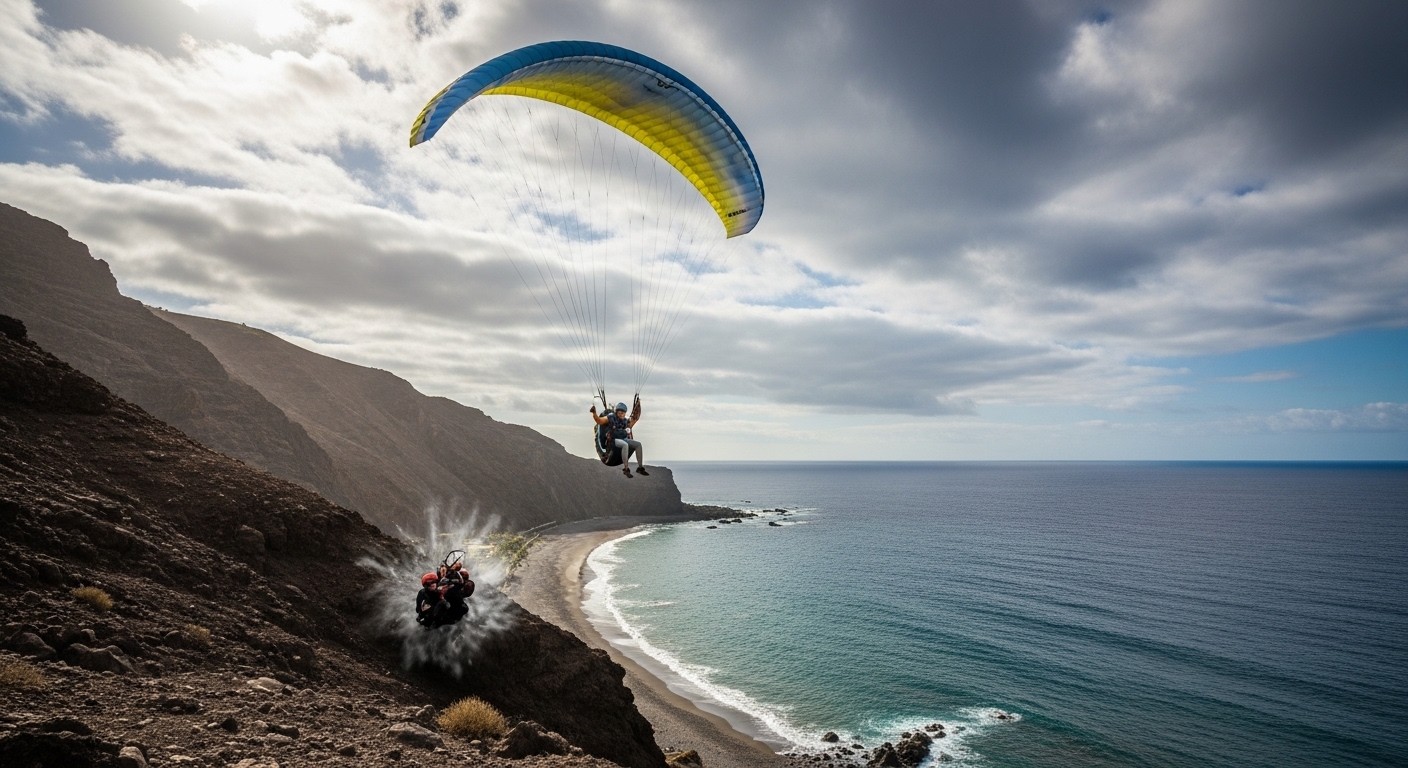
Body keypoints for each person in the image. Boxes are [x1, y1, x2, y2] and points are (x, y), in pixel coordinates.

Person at [591, 396, 648, 477]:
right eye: (619, 413)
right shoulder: (610, 417)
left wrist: (638, 406)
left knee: (638, 444)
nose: (621, 414)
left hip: (623, 439)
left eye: (623, 413)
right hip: (613, 441)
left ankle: (640, 468)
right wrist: (594, 413)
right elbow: (599, 421)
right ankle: (626, 469)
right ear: (616, 412)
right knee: (625, 445)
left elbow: (635, 419)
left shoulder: (625, 421)